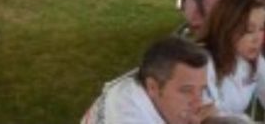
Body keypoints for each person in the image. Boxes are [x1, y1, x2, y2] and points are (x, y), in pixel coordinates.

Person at [80, 36, 214, 124]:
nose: (199, 102)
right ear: (153, 87)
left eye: (201, 89)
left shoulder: (155, 74)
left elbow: (212, 109)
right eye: (186, 90)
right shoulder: (126, 117)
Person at [197, 0, 265, 120]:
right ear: (227, 28)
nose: (258, 38)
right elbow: (207, 117)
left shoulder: (252, 60)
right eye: (249, 30)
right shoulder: (202, 63)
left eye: (261, 28)